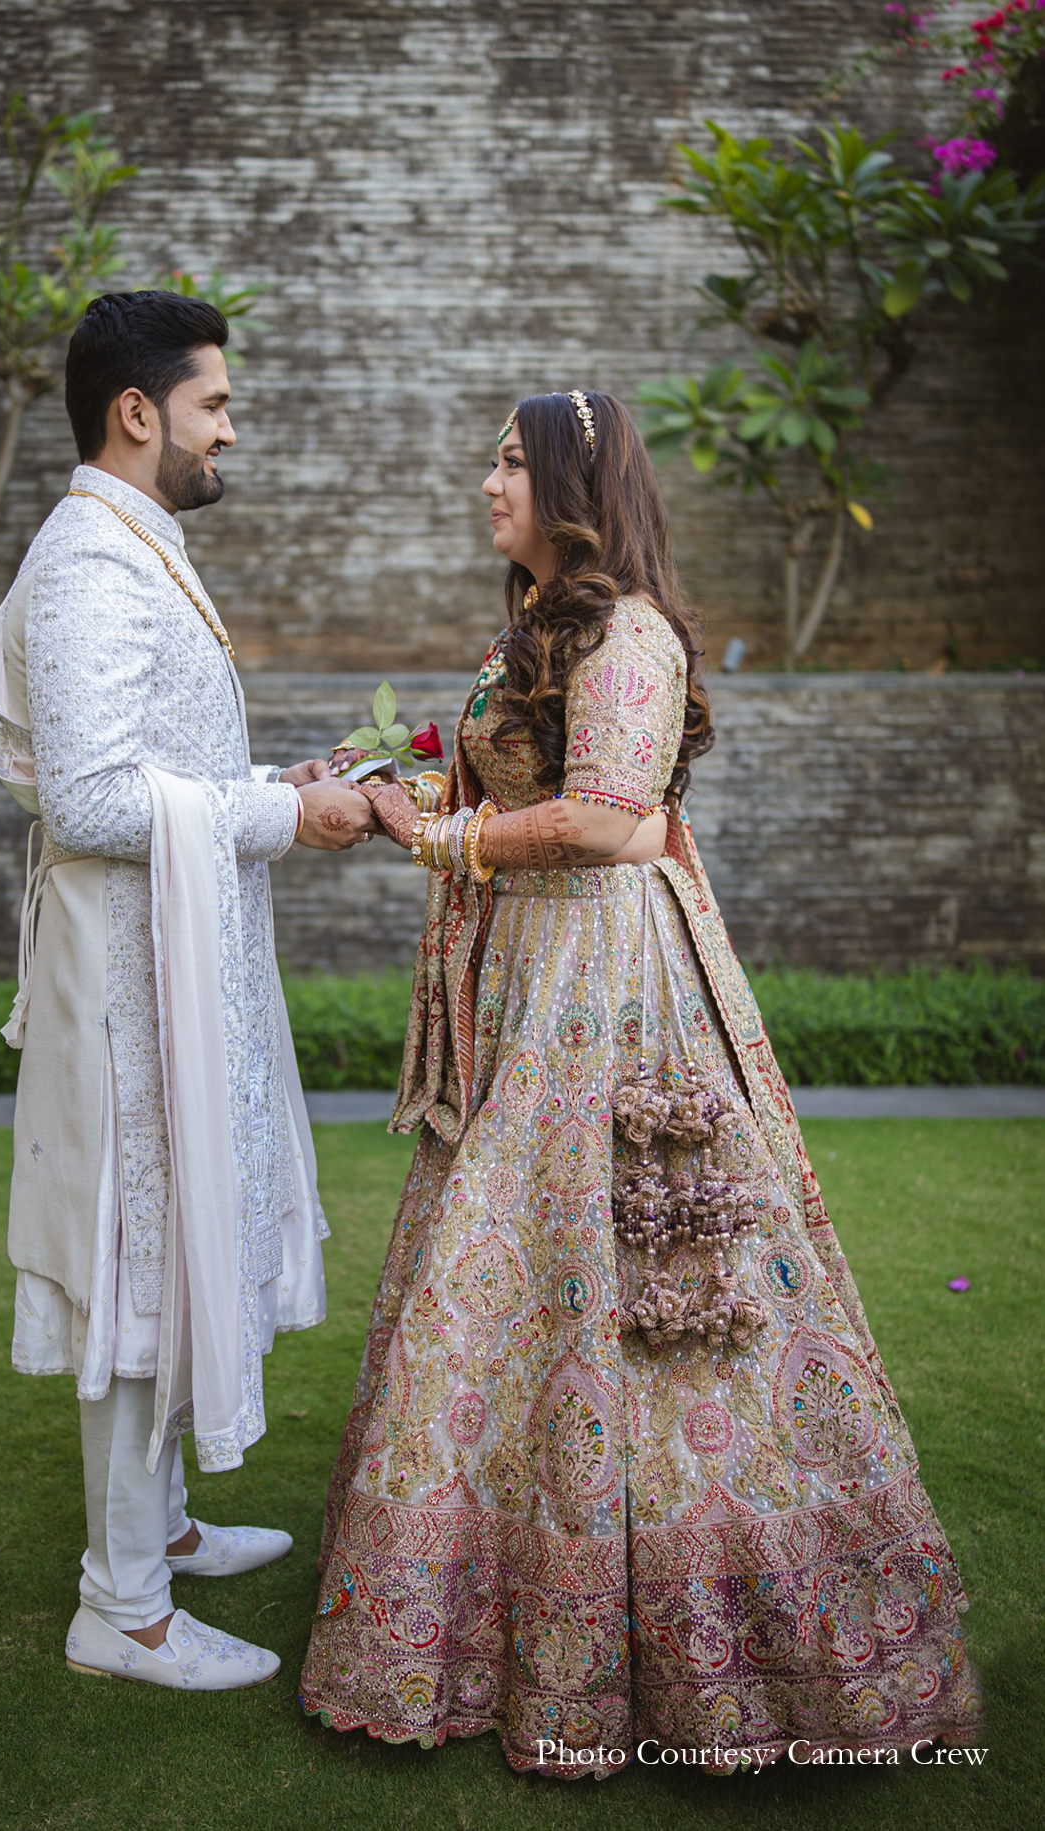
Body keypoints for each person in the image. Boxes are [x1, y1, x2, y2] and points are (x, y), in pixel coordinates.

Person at [298, 390, 982, 1774]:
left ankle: (712, 1627)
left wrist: (439, 847)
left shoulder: (632, 634)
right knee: (506, 1274)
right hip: (526, 974)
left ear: (571, 485)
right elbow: (512, 801)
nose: (489, 478)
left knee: (632, 1274)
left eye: (511, 459)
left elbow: (609, 823)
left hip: (607, 987)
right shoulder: (540, 630)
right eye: (493, 456)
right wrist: (390, 800)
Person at [0, 291, 378, 1690]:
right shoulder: (93, 560)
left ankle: (163, 1529)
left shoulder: (130, 542)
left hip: (173, 977)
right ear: (137, 413)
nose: (231, 431)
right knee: (139, 1270)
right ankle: (124, 1606)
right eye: (216, 406)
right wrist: (278, 821)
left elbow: (162, 764)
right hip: (128, 1001)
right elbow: (91, 797)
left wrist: (280, 787)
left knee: (174, 1253)